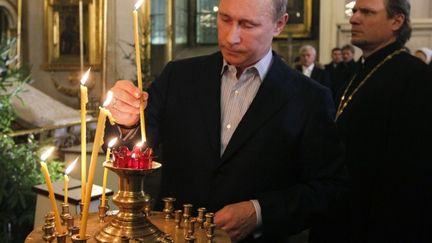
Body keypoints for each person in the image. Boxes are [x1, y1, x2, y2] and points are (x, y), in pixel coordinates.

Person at [105, 0, 347, 242]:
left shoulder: (309, 97)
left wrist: (259, 211)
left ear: (279, 24)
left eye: (248, 25)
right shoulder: (178, 77)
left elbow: (327, 188)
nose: (231, 37)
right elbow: (133, 146)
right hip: (174, 234)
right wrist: (126, 119)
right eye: (225, 19)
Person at [310, 0, 432, 242]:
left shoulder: (416, 77)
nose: (354, 19)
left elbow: (413, 171)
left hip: (380, 222)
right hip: (340, 211)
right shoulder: (355, 71)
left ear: (396, 21)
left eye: (366, 12)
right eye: (354, 11)